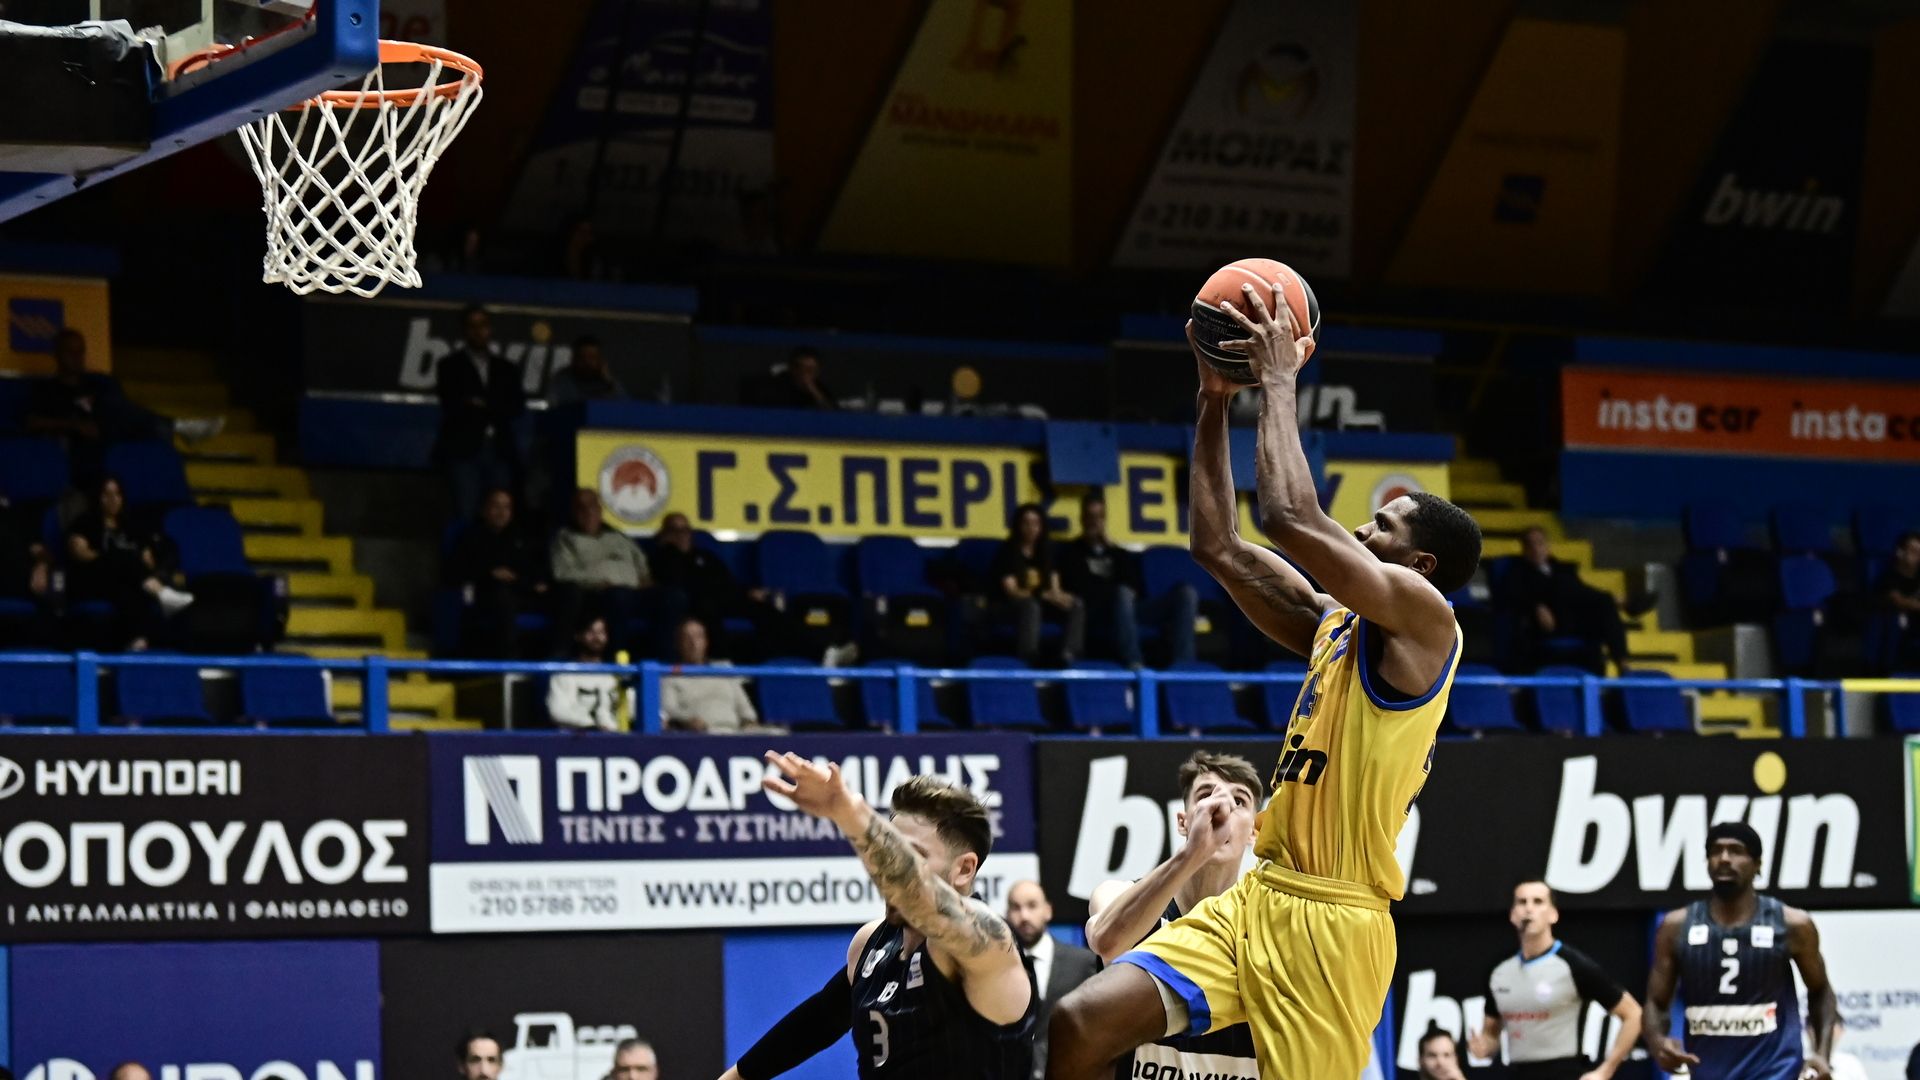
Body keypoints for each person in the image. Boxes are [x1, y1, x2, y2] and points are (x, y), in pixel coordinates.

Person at [1046, 279, 1482, 1079]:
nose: (1361, 529)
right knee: (1079, 1023)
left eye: (1382, 526)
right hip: (1261, 897)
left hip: (1334, 924)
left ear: (1421, 565)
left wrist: (1279, 379)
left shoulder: (1429, 623)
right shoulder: (1334, 622)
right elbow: (1217, 544)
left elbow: (1289, 516)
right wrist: (1214, 400)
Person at [758, 762, 1036, 1076]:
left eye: (910, 856)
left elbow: (925, 899)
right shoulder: (871, 944)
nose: (888, 866)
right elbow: (820, 1019)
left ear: (964, 869)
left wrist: (847, 812)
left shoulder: (987, 944)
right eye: (888, 848)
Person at [1082, 750, 1262, 1080]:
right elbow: (1107, 941)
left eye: (1239, 801)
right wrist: (1193, 853)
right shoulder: (1119, 892)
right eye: (1206, 796)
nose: (1221, 809)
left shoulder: (1265, 924)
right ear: (1183, 822)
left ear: (1254, 831)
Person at [1644, 821, 1837, 1080]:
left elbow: (1821, 990)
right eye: (1716, 851)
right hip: (1709, 1071)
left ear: (1757, 864)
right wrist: (1658, 1042)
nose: (1724, 858)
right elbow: (1656, 1002)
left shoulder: (1792, 924)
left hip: (1775, 1070)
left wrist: (1822, 1054)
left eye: (1736, 850)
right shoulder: (1676, 927)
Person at [1468, 881, 1641, 1080]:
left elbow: (1634, 1014)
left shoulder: (1574, 965)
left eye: (1538, 902)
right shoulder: (1499, 972)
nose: (1529, 909)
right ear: (1513, 915)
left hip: (1564, 1071)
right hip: (1518, 1072)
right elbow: (1491, 1034)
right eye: (1522, 902)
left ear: (1553, 914)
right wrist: (1484, 1047)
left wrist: (1605, 1071)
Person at [25, 328, 222, 488]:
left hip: (110, 436)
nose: (77, 357)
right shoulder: (47, 389)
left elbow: (122, 413)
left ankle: (175, 435)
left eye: (81, 351)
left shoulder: (97, 384)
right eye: (71, 352)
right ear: (57, 354)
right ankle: (180, 428)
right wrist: (74, 425)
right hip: (78, 447)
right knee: (147, 425)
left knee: (118, 406)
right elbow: (32, 422)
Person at [1056, 493, 1195, 667]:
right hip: (1097, 611)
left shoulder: (1118, 553)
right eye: (1090, 516)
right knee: (1121, 593)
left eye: (1099, 517)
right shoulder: (1071, 553)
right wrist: (1115, 591)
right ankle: (1134, 662)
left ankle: (1184, 665)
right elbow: (1079, 588)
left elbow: (1135, 586)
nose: (1095, 522)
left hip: (1127, 608)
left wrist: (1112, 550)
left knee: (1186, 593)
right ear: (1082, 519)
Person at [550, 488, 685, 656]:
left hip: (635, 591)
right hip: (597, 594)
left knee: (674, 597)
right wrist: (597, 582)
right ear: (574, 511)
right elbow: (563, 573)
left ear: (600, 510)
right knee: (618, 597)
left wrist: (645, 579)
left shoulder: (618, 537)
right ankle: (618, 659)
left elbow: (642, 565)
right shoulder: (565, 538)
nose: (588, 511)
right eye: (582, 507)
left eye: (593, 506)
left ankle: (663, 660)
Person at [66, 475, 193, 649]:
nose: (112, 499)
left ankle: (138, 641)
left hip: (128, 581)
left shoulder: (131, 526)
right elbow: (79, 553)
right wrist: (111, 558)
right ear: (98, 497)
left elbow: (147, 560)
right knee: (123, 559)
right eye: (106, 494)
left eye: (117, 494)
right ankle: (162, 594)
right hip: (95, 577)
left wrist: (134, 564)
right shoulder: (85, 522)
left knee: (129, 587)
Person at [650, 512, 789, 657]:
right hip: (698, 602)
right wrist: (671, 550)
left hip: (726, 597)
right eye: (674, 530)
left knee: (764, 609)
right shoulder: (662, 558)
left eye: (685, 530)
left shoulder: (705, 556)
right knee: (707, 606)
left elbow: (728, 581)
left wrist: (747, 592)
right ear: (665, 534)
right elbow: (674, 582)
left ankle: (783, 657)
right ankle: (720, 659)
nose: (681, 535)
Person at [433, 305, 525, 522]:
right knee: (466, 511)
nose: (478, 331)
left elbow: (516, 406)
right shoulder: (449, 365)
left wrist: (479, 403)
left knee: (501, 513)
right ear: (464, 330)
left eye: (482, 325)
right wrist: (494, 405)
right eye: (472, 326)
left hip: (499, 449)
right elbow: (453, 404)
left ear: (490, 329)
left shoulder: (506, 368)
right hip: (464, 450)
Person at [1495, 526, 1630, 674]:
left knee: (1604, 606)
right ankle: (1619, 602)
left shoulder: (1563, 568)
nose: (1536, 549)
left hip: (1573, 618)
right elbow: (1513, 595)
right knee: (1602, 600)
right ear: (1524, 550)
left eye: (1540, 543)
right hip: (1545, 624)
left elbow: (1582, 591)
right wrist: (1536, 606)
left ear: (1547, 547)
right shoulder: (1517, 571)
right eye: (1530, 545)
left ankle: (1623, 665)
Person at [1006, 880, 1101, 1080]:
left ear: (1048, 911)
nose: (1024, 916)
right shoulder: (997, 968)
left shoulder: (1083, 963)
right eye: (1016, 907)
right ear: (1007, 913)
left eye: (1032, 906)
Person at [447, 487, 547, 658]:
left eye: (506, 507)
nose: (501, 512)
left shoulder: (521, 538)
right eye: (496, 506)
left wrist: (535, 582)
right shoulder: (471, 538)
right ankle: (510, 661)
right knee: (502, 595)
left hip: (523, 592)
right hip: (486, 596)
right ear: (484, 510)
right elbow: (455, 572)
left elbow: (534, 570)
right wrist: (490, 573)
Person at [989, 503, 1084, 664]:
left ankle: (1069, 655)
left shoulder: (1047, 551)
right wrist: (1041, 595)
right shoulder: (1007, 551)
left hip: (1041, 602)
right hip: (1011, 605)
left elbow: (1054, 586)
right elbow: (1012, 591)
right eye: (1026, 523)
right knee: (1031, 605)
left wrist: (1060, 597)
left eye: (1035, 523)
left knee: (1076, 604)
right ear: (1018, 526)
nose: (1031, 528)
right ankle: (1029, 656)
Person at [661, 617, 780, 734]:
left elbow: (745, 710)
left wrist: (749, 720)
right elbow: (669, 710)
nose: (693, 643)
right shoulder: (671, 677)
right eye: (687, 638)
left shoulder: (724, 669)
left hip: (737, 732)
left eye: (698, 637)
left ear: (706, 642)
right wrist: (687, 720)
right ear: (678, 644)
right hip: (703, 734)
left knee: (777, 734)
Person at [547, 615, 621, 731]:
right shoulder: (564, 674)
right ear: (578, 636)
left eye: (601, 632)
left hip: (615, 737)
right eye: (591, 631)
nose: (597, 637)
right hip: (575, 738)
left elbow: (632, 707)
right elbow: (558, 712)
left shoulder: (616, 674)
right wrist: (593, 727)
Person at [1876, 531, 1920, 666]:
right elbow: (1897, 600)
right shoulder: (1889, 576)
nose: (1917, 556)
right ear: (1900, 552)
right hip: (1896, 625)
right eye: (1913, 551)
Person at [548, 336, 628, 407]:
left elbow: (626, 406)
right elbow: (559, 405)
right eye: (582, 357)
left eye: (592, 357)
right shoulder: (562, 379)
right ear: (574, 359)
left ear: (600, 360)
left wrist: (609, 382)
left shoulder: (607, 380)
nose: (587, 362)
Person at [750, 348, 837, 410]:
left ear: (817, 371)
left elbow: (832, 413)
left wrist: (813, 390)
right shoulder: (777, 386)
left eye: (810, 370)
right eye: (801, 368)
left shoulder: (821, 390)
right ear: (792, 369)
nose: (805, 373)